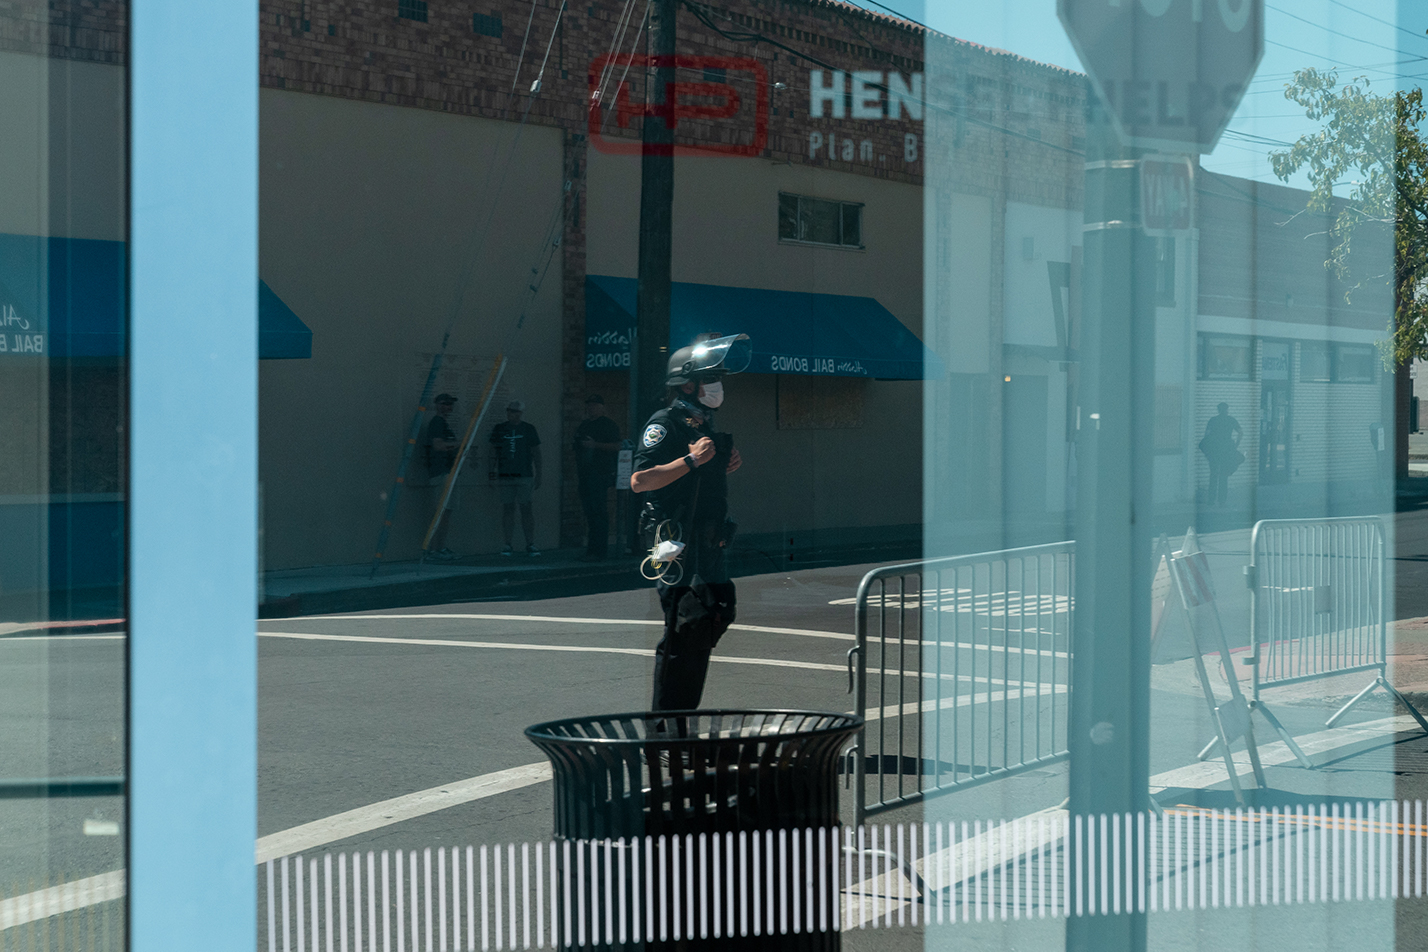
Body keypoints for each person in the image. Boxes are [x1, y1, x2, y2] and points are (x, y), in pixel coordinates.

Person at [631, 333, 750, 711]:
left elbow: (700, 483)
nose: (717, 387)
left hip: (708, 541)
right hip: (675, 544)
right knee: (683, 633)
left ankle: (682, 722)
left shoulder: (702, 425)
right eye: (710, 379)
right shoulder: (665, 423)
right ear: (687, 384)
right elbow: (640, 481)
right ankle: (665, 730)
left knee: (709, 620)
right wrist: (692, 461)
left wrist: (723, 463)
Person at [488, 399, 542, 556]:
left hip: (524, 474)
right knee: (508, 508)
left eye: (515, 411)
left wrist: (539, 474)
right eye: (509, 411)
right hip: (505, 475)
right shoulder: (499, 429)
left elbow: (536, 453)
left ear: (520, 413)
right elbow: (492, 452)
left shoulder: (528, 429)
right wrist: (491, 473)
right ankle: (507, 544)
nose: (511, 414)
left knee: (526, 507)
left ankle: (530, 543)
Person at [573, 394, 622, 561]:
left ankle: (600, 551)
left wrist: (595, 445)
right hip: (585, 474)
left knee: (599, 512)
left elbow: (618, 446)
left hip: (600, 474)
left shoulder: (608, 425)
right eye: (589, 405)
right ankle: (590, 550)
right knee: (589, 512)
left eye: (594, 405)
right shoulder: (584, 425)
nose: (591, 408)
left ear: (601, 407)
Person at [421, 393, 461, 560]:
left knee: (445, 511)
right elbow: (438, 445)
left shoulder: (444, 424)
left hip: (447, 472)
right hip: (441, 472)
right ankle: (435, 549)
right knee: (442, 512)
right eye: (444, 403)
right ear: (437, 404)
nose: (448, 407)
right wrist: (459, 444)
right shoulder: (437, 423)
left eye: (450, 404)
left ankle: (438, 548)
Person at [1199, 402, 1243, 507]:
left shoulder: (1213, 420)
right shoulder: (1231, 420)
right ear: (1227, 409)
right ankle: (1222, 501)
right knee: (1224, 475)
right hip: (1227, 451)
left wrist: (1207, 451)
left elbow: (1207, 435)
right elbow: (1241, 432)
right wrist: (1236, 445)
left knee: (1213, 475)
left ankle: (1211, 500)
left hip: (1214, 451)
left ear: (1218, 410)